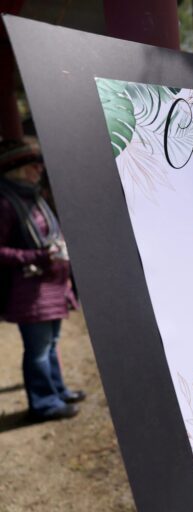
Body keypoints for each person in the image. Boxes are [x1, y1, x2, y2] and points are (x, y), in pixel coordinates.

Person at [0, 140, 85, 422]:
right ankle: (44, 404)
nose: (40, 168)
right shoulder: (5, 202)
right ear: (17, 169)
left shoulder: (33, 197)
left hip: (52, 284)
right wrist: (36, 255)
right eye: (33, 164)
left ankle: (57, 391)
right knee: (37, 351)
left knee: (51, 344)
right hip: (29, 290)